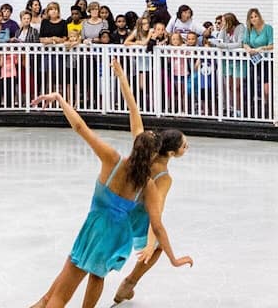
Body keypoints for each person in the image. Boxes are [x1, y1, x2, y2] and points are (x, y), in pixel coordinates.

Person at [27, 89, 192, 308]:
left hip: (93, 227)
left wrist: (60, 99)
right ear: (153, 155)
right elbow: (158, 226)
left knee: (61, 294)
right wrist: (174, 259)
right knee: (97, 275)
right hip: (115, 236)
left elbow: (80, 128)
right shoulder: (147, 183)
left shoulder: (112, 160)